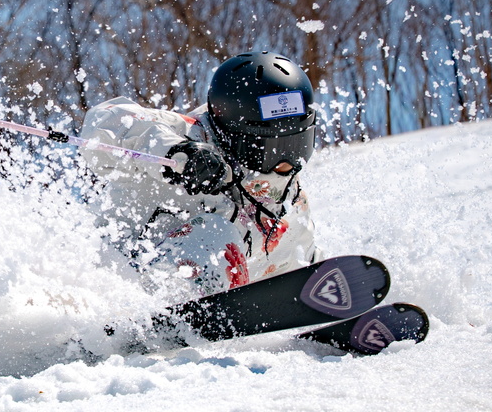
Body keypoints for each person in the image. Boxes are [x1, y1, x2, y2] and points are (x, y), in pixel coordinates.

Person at [79, 51, 321, 300]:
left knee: (287, 231)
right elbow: (106, 121)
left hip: (217, 295)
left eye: (298, 145)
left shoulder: (287, 190)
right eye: (270, 149)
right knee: (215, 235)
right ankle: (176, 319)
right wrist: (176, 152)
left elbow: (304, 256)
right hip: (119, 281)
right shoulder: (185, 133)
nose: (285, 163)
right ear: (232, 134)